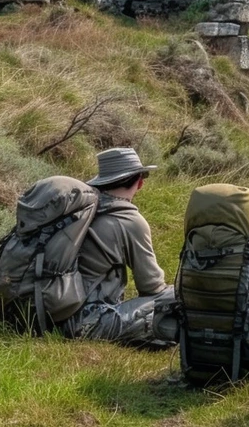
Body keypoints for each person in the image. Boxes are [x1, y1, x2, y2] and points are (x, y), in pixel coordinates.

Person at [63, 147, 175, 347]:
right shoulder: (129, 220)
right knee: (177, 296)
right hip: (86, 322)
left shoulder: (78, 210)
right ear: (139, 182)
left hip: (48, 313)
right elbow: (152, 286)